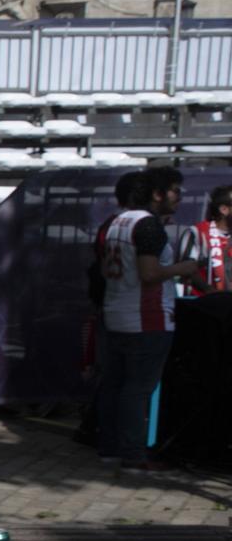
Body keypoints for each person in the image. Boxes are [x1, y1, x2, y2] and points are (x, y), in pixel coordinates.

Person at [96, 166, 196, 471]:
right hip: (146, 317)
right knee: (137, 389)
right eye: (175, 191)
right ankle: (133, 454)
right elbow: (149, 274)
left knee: (115, 386)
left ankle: (110, 448)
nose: (179, 197)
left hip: (117, 312)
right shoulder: (148, 225)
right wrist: (184, 268)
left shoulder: (117, 222)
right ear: (157, 194)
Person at [189, 185, 231, 294]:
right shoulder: (199, 232)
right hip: (205, 301)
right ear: (224, 209)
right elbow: (187, 270)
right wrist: (210, 291)